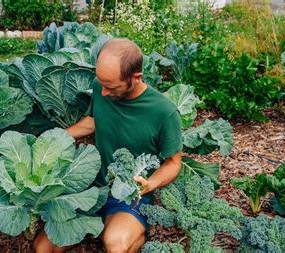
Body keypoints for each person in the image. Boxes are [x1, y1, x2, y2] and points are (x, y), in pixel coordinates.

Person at [34, 38, 183, 253]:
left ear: (135, 78)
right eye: (101, 84)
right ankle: (104, 223)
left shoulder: (164, 112)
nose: (103, 92)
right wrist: (53, 138)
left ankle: (133, 231)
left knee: (115, 243)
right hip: (92, 188)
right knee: (43, 249)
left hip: (130, 193)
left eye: (110, 87)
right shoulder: (101, 87)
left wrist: (149, 184)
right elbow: (92, 121)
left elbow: (173, 162)